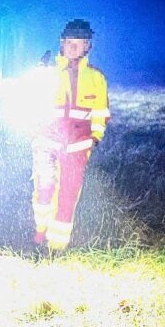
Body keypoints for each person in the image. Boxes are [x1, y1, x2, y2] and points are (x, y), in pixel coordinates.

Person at [31, 19, 110, 251]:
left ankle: (56, 247)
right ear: (62, 44)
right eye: (69, 43)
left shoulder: (96, 78)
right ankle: (39, 231)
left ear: (88, 46)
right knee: (44, 187)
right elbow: (31, 103)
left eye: (80, 43)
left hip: (77, 147)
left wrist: (94, 138)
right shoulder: (47, 72)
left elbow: (101, 113)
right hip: (46, 141)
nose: (74, 48)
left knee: (68, 195)